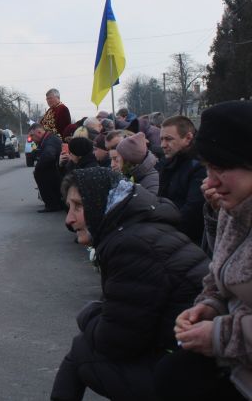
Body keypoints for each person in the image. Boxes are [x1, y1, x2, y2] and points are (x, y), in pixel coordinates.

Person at [50, 168, 209, 401]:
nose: (69, 219)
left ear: (100, 203)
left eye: (79, 206)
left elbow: (115, 341)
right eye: (69, 207)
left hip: (196, 374)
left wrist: (88, 313)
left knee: (81, 350)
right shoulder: (138, 230)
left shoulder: (131, 245)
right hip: (189, 359)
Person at [154, 101, 252, 401]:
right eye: (207, 168)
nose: (209, 183)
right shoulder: (233, 209)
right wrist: (208, 306)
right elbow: (219, 271)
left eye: (220, 168)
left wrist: (220, 336)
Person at [158, 115, 207, 245]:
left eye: (168, 139)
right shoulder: (169, 162)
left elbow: (193, 213)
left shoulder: (200, 166)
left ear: (188, 138)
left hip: (188, 241)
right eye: (161, 139)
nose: (162, 145)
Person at [29, 123, 63, 212]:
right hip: (57, 169)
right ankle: (54, 202)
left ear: (39, 132)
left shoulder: (49, 140)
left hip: (58, 171)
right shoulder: (47, 139)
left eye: (32, 135)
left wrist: (38, 168)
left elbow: (49, 155)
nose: (31, 138)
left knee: (40, 173)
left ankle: (52, 204)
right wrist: (36, 153)